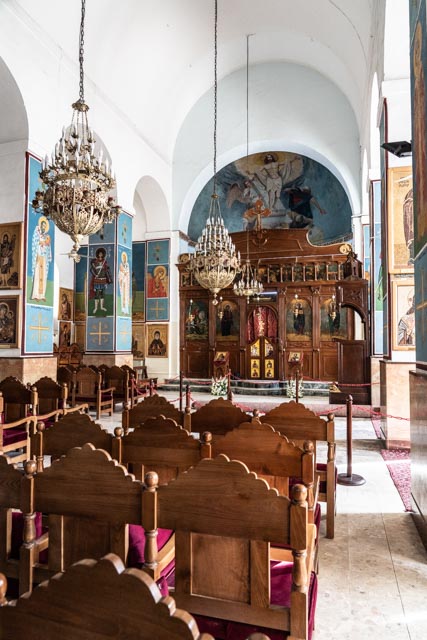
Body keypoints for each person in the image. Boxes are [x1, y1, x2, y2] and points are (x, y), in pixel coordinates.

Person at [31, 216, 52, 301]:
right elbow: (35, 241)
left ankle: (42, 295)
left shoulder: (47, 236)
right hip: (38, 256)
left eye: (44, 226)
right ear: (40, 226)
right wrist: (41, 242)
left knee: (44, 276)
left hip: (44, 258)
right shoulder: (37, 233)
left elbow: (48, 246)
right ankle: (36, 294)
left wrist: (47, 243)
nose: (43, 227)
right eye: (42, 225)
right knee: (37, 275)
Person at [89, 247, 112, 314]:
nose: (100, 255)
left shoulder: (104, 262)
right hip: (97, 280)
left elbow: (107, 270)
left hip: (103, 280)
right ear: (98, 254)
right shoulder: (95, 261)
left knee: (102, 294)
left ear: (103, 254)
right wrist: (95, 274)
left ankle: (102, 307)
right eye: (99, 254)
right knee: (97, 294)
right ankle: (96, 308)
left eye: (101, 254)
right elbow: (91, 270)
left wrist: (107, 269)